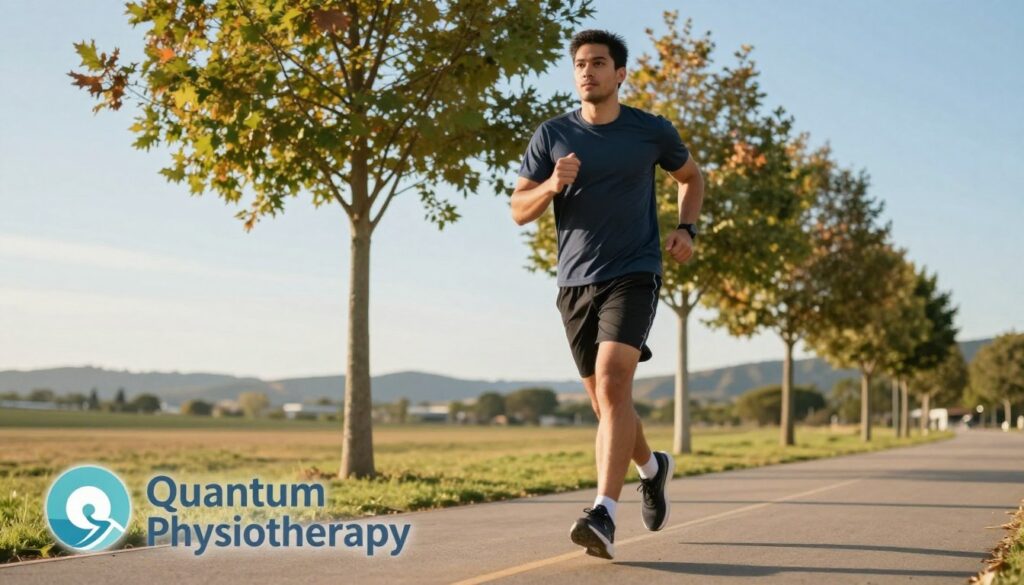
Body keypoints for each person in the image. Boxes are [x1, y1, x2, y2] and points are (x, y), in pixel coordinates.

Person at [510, 29, 705, 560]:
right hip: (574, 283)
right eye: (579, 64)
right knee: (605, 403)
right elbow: (518, 209)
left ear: (619, 74)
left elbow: (691, 178)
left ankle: (603, 513)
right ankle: (652, 467)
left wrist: (687, 230)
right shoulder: (551, 135)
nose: (587, 71)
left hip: (635, 271)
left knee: (616, 382)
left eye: (598, 63)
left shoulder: (651, 131)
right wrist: (551, 185)